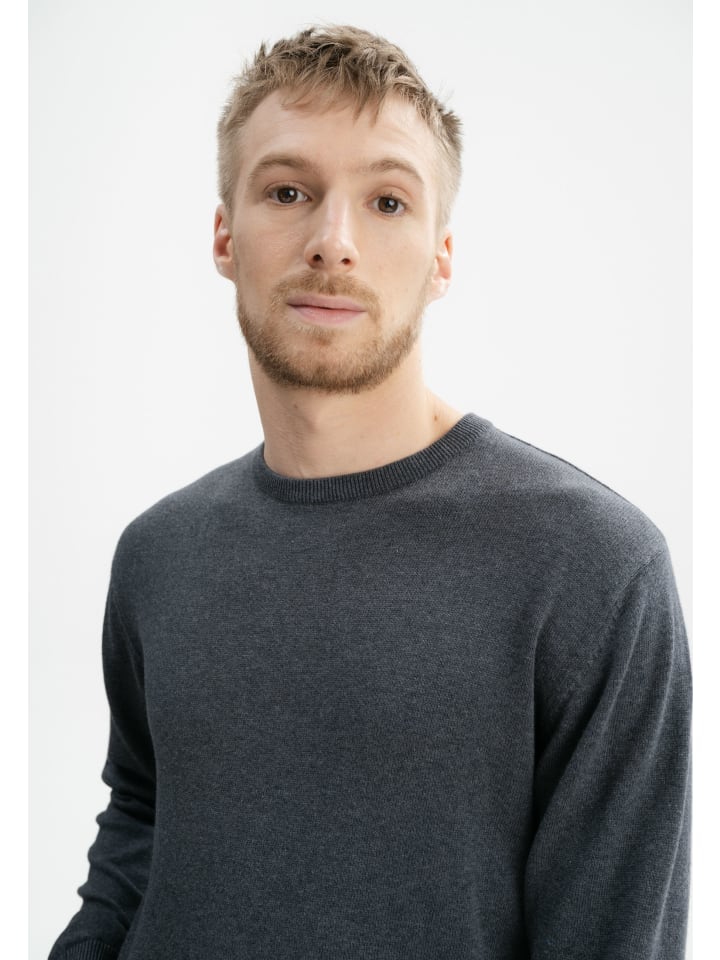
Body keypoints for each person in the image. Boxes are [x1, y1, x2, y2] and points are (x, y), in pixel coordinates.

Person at [48, 24, 691, 960]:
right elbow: (141, 829)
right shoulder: (158, 554)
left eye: (388, 201)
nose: (333, 243)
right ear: (225, 234)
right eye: (288, 192)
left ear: (441, 257)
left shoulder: (593, 569)